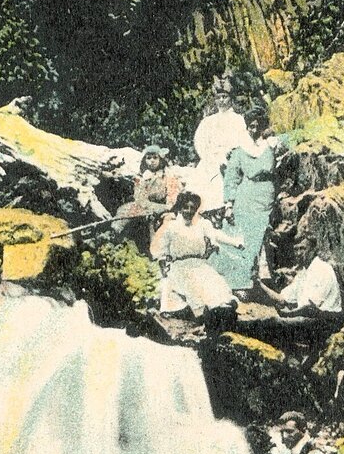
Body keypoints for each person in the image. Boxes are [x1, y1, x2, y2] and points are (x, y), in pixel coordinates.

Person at [151, 190, 244, 325]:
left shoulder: (201, 224)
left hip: (200, 264)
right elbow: (161, 249)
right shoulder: (171, 227)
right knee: (193, 285)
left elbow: (216, 234)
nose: (189, 211)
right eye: (186, 207)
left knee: (214, 283)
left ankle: (220, 308)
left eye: (193, 208)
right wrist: (163, 265)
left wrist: (235, 242)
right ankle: (202, 312)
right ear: (180, 208)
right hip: (180, 266)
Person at [214, 104, 278, 294]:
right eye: (251, 126)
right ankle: (237, 283)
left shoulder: (273, 145)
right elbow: (232, 178)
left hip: (265, 194)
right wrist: (229, 204)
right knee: (240, 234)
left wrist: (274, 142)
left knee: (259, 235)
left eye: (258, 126)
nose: (255, 130)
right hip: (245, 194)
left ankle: (259, 281)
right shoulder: (239, 150)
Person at [247, 225, 343, 345]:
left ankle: (236, 327)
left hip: (326, 323)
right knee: (269, 323)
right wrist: (259, 284)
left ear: (314, 250)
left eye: (302, 249)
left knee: (274, 324)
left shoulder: (322, 269)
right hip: (311, 320)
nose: (298, 253)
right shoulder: (303, 273)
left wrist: (288, 314)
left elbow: (310, 308)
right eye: (296, 249)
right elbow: (282, 298)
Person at [188, 76, 250, 212]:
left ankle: (224, 208)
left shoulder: (238, 119)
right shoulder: (208, 121)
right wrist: (207, 156)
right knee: (201, 183)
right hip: (209, 158)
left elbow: (242, 140)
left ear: (231, 98)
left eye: (224, 97)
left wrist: (230, 154)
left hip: (230, 158)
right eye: (218, 97)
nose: (221, 100)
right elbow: (199, 141)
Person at [113, 146, 183, 251]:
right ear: (144, 160)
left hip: (164, 208)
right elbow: (140, 198)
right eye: (149, 158)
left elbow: (172, 198)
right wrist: (148, 207)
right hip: (145, 207)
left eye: (155, 157)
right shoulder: (142, 177)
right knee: (125, 212)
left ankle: (158, 251)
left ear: (160, 159)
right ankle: (117, 239)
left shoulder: (168, 176)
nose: (152, 161)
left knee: (165, 222)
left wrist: (165, 208)